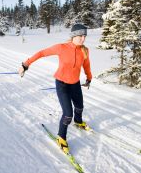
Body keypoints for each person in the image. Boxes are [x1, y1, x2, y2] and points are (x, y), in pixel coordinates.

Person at [18, 23, 92, 154]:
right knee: (68, 114)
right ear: (74, 36)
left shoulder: (84, 50)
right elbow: (42, 53)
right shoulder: (62, 47)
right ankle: (61, 137)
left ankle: (78, 121)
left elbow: (86, 65)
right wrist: (25, 64)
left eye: (84, 36)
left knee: (80, 107)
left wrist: (89, 77)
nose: (83, 39)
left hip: (75, 83)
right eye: (80, 36)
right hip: (62, 83)